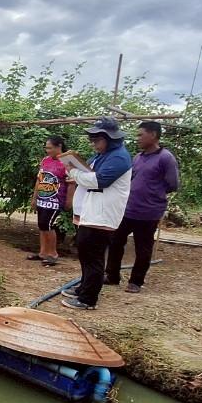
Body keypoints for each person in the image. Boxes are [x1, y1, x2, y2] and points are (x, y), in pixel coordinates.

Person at [59, 118, 133, 311]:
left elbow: (99, 181)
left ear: (109, 138)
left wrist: (74, 173)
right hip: (92, 214)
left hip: (102, 216)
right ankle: (84, 287)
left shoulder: (119, 157)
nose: (93, 144)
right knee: (85, 252)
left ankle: (88, 299)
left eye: (96, 140)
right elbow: (89, 174)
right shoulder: (103, 155)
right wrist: (77, 173)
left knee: (93, 257)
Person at [105, 120, 180, 293]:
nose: (138, 138)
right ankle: (112, 276)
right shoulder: (138, 157)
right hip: (128, 208)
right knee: (116, 242)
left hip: (149, 212)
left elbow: (173, 184)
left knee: (143, 247)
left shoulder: (166, 158)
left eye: (141, 134)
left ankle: (136, 282)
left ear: (153, 135)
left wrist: (153, 194)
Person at [28, 135, 68, 265]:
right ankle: (43, 253)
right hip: (42, 198)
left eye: (50, 148)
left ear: (59, 147)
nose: (47, 151)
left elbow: (72, 182)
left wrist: (69, 200)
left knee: (48, 225)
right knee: (41, 225)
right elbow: (39, 179)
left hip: (55, 200)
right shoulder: (45, 160)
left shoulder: (67, 162)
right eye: (46, 148)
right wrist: (34, 198)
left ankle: (53, 254)